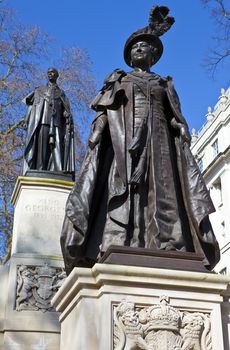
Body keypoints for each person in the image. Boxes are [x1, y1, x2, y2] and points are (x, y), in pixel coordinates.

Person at [61, 6, 220, 274]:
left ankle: (170, 243)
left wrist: (180, 127)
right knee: (127, 190)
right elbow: (105, 109)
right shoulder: (119, 79)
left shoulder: (163, 83)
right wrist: (98, 131)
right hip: (125, 142)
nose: (139, 50)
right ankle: (121, 240)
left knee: (164, 191)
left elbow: (174, 114)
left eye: (144, 46)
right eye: (135, 46)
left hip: (160, 144)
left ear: (153, 54)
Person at [23, 67, 75, 175]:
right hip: (43, 122)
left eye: (52, 72)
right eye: (48, 73)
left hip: (57, 124)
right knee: (42, 148)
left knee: (57, 147)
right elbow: (31, 106)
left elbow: (66, 110)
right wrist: (26, 119)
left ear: (57, 75)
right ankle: (40, 169)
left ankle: (59, 170)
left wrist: (67, 114)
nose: (50, 74)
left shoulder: (61, 93)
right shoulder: (39, 90)